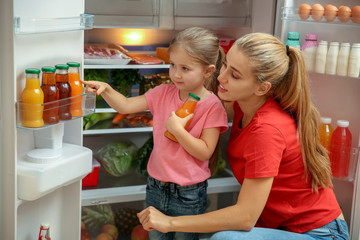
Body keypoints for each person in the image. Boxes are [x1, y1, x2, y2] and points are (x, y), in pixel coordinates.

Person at [137, 32, 350, 240]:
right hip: (278, 227)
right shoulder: (245, 104)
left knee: (225, 238)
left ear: (261, 87)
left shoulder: (267, 129)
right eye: (226, 65)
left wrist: (170, 222)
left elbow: (245, 218)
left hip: (319, 233)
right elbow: (202, 103)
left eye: (235, 75)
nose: (221, 77)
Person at [82, 27, 229, 240]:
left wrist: (178, 130)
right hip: (155, 187)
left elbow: (205, 152)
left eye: (185, 68)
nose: (176, 74)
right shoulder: (163, 93)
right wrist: (106, 89)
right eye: (172, 65)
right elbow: (125, 106)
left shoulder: (212, 106)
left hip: (189, 193)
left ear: (207, 71)